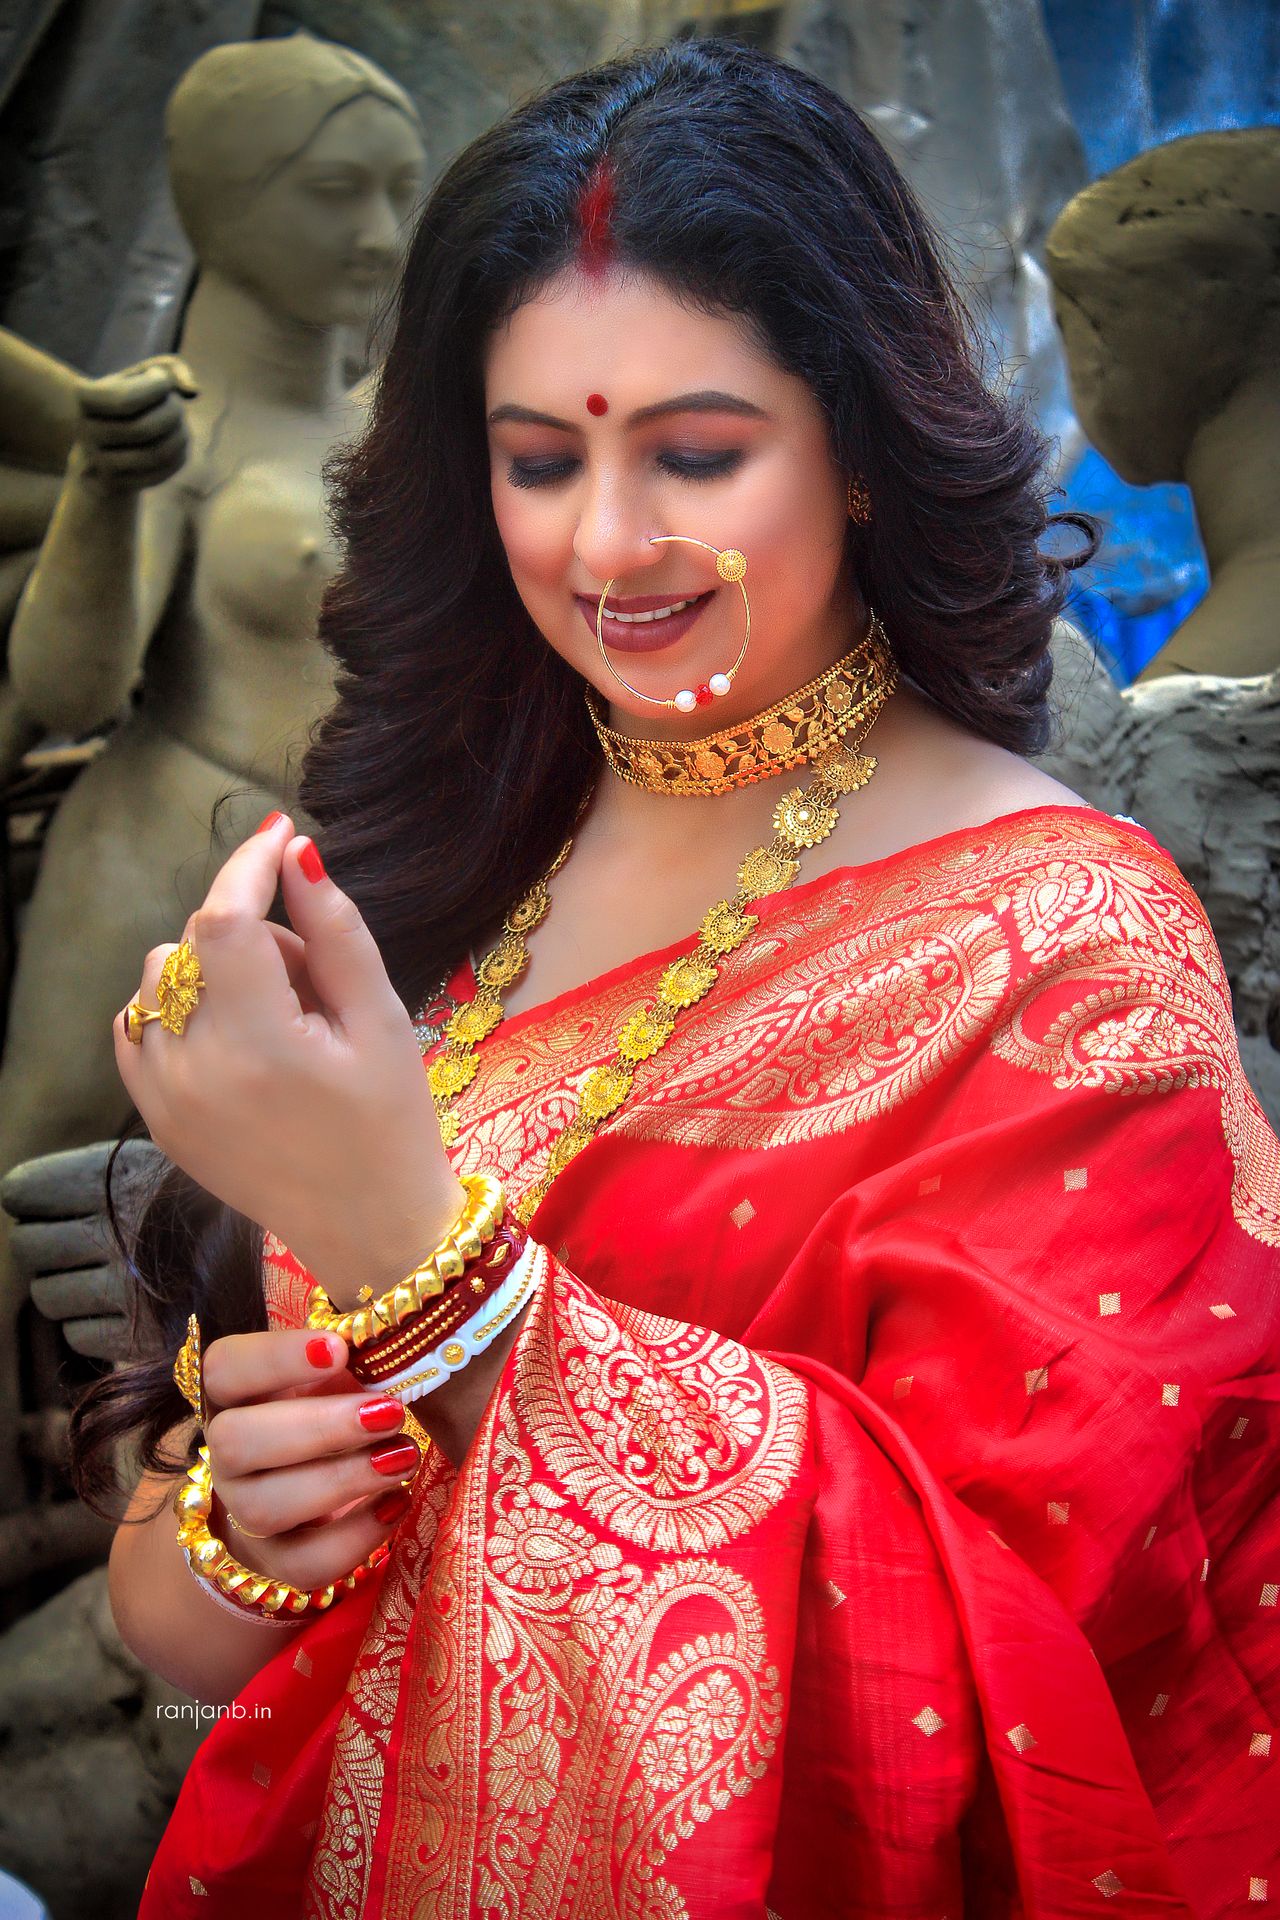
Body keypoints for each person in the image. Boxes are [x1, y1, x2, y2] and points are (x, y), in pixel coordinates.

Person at [77, 39, 1277, 1919]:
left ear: (862, 446)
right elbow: (185, 1621)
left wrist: (423, 1259)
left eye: (697, 454)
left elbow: (1033, 1678)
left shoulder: (1067, 947)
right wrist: (237, 1539)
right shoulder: (437, 850)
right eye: (538, 461)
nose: (608, 545)